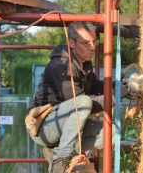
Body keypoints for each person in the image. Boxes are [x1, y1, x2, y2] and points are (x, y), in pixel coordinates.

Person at [27, 22, 111, 173]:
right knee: (84, 102)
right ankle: (60, 162)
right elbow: (82, 103)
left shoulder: (83, 63)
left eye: (94, 42)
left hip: (67, 126)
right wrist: (112, 98)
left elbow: (96, 87)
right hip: (46, 126)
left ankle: (65, 154)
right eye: (86, 43)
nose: (92, 47)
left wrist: (117, 86)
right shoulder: (61, 66)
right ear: (71, 43)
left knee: (111, 134)